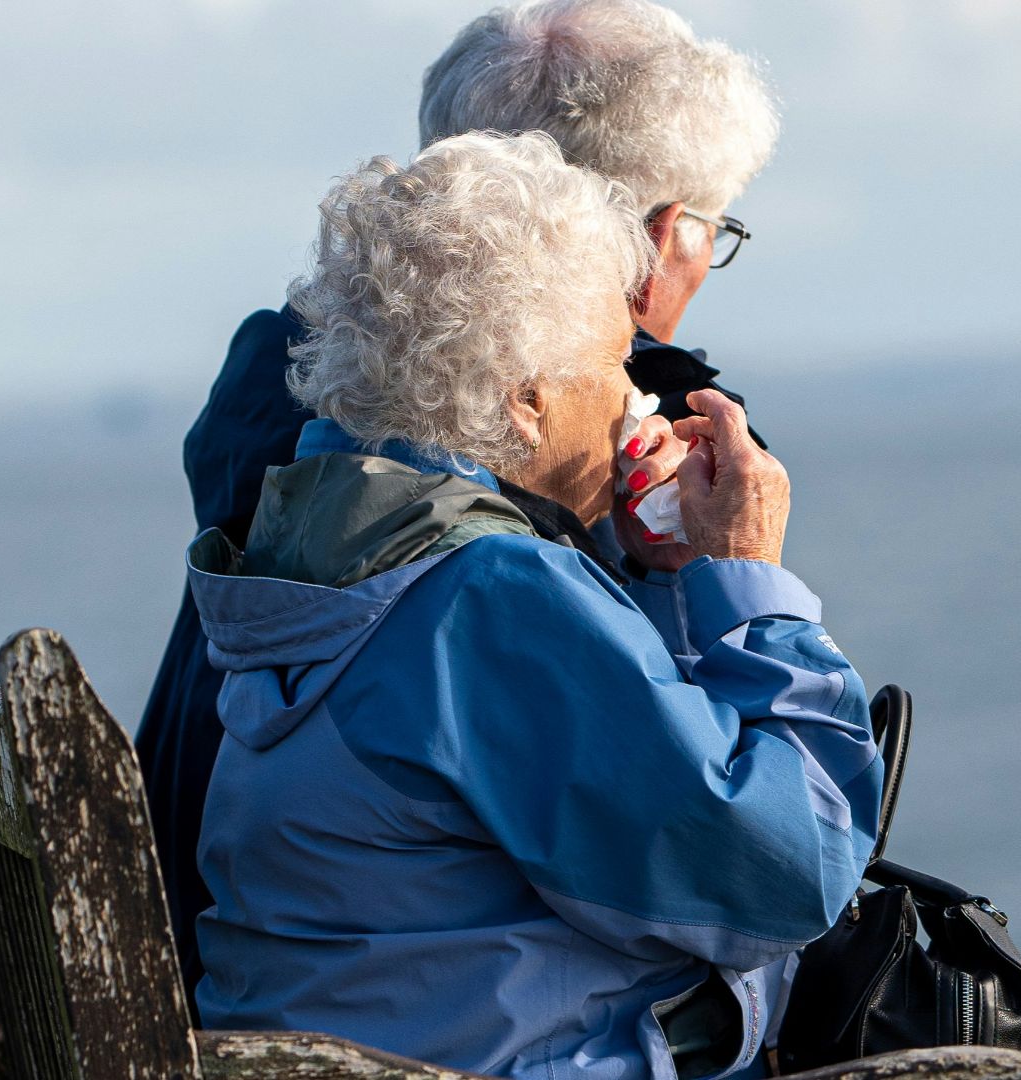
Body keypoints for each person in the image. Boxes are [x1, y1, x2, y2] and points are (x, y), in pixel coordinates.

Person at [186, 131, 877, 1080]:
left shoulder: (328, 536)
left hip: (380, 1046)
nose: (635, 391)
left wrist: (665, 571)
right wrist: (748, 578)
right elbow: (784, 876)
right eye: (612, 359)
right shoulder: (486, 597)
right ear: (525, 401)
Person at [136, 0, 780, 1009]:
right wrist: (740, 582)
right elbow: (742, 867)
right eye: (716, 227)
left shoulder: (297, 395)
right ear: (659, 240)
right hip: (424, 1016)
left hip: (209, 946)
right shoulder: (580, 465)